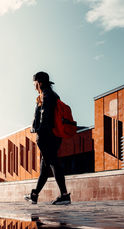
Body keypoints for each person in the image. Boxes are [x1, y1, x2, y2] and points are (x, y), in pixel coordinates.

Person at [25, 71, 71, 205]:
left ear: (39, 82)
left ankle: (64, 195)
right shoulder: (51, 94)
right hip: (54, 135)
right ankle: (34, 194)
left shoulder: (46, 95)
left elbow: (45, 116)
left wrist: (39, 130)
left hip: (47, 135)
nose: (33, 85)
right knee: (45, 167)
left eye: (34, 82)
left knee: (53, 163)